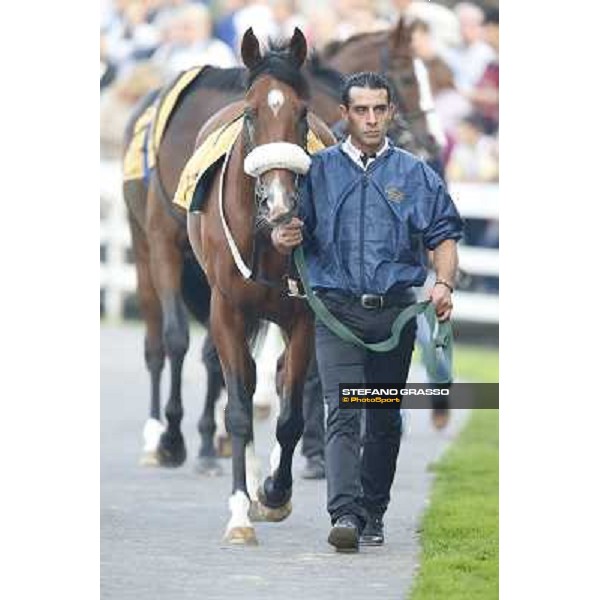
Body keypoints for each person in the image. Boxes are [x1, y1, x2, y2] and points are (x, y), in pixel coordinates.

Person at [271, 72, 463, 552]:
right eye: (362, 110)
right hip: (336, 313)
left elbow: (442, 236)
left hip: (394, 316)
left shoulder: (415, 174)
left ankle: (373, 510)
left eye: (380, 109)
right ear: (345, 114)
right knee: (344, 408)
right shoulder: (316, 171)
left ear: (392, 112)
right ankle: (346, 515)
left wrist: (442, 282)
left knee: (381, 418)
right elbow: (288, 231)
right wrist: (282, 237)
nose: (372, 119)